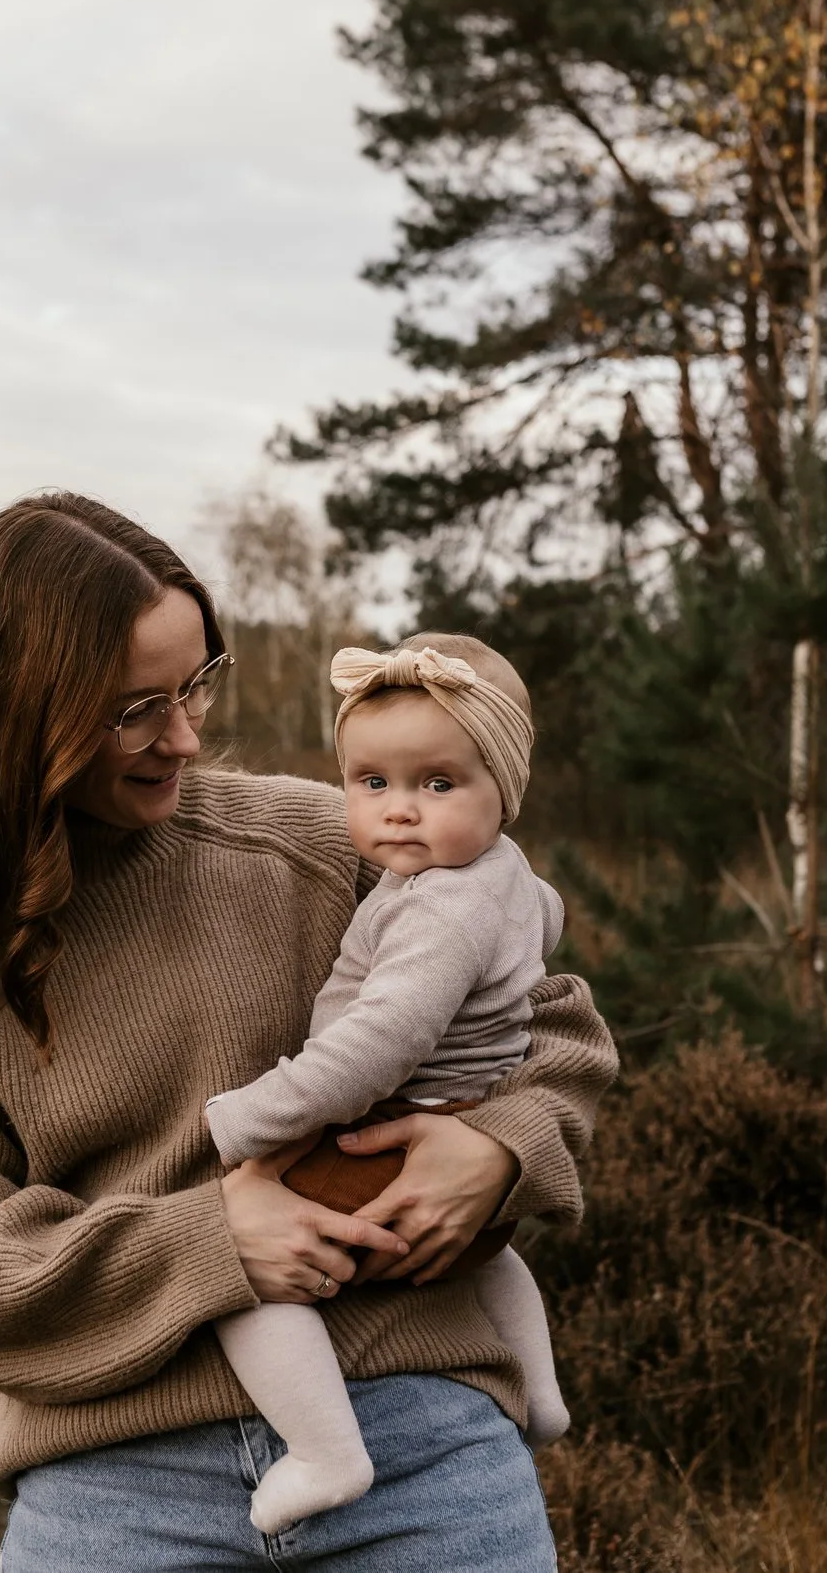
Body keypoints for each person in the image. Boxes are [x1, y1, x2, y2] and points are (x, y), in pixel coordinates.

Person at [0, 493, 617, 1571]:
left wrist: (499, 1148)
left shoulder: (325, 842)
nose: (187, 733)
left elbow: (554, 1028)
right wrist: (213, 1243)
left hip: (418, 1449)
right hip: (113, 1486)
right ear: (21, 708)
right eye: (136, 708)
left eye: (198, 681)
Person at [204, 636, 570, 1535]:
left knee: (246, 1279)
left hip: (393, 1124)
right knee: (497, 1250)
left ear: (504, 791)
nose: (400, 812)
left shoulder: (442, 906)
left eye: (436, 785)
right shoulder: (507, 875)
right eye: (372, 783)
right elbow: (545, 933)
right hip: (470, 1118)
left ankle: (326, 1451)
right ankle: (546, 1395)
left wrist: (248, 1116)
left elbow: (380, 1045)